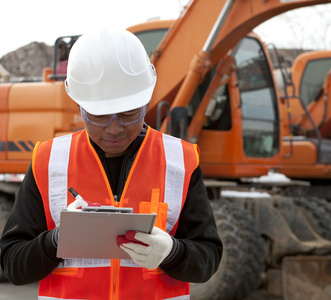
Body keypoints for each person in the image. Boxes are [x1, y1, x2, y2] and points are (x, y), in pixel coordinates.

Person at [0, 28, 222, 299]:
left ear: (145, 102)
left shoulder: (180, 161)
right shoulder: (48, 162)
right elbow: (13, 264)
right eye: (100, 116)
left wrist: (172, 253)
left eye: (128, 113)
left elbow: (208, 259)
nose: (114, 128)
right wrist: (57, 241)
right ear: (80, 107)